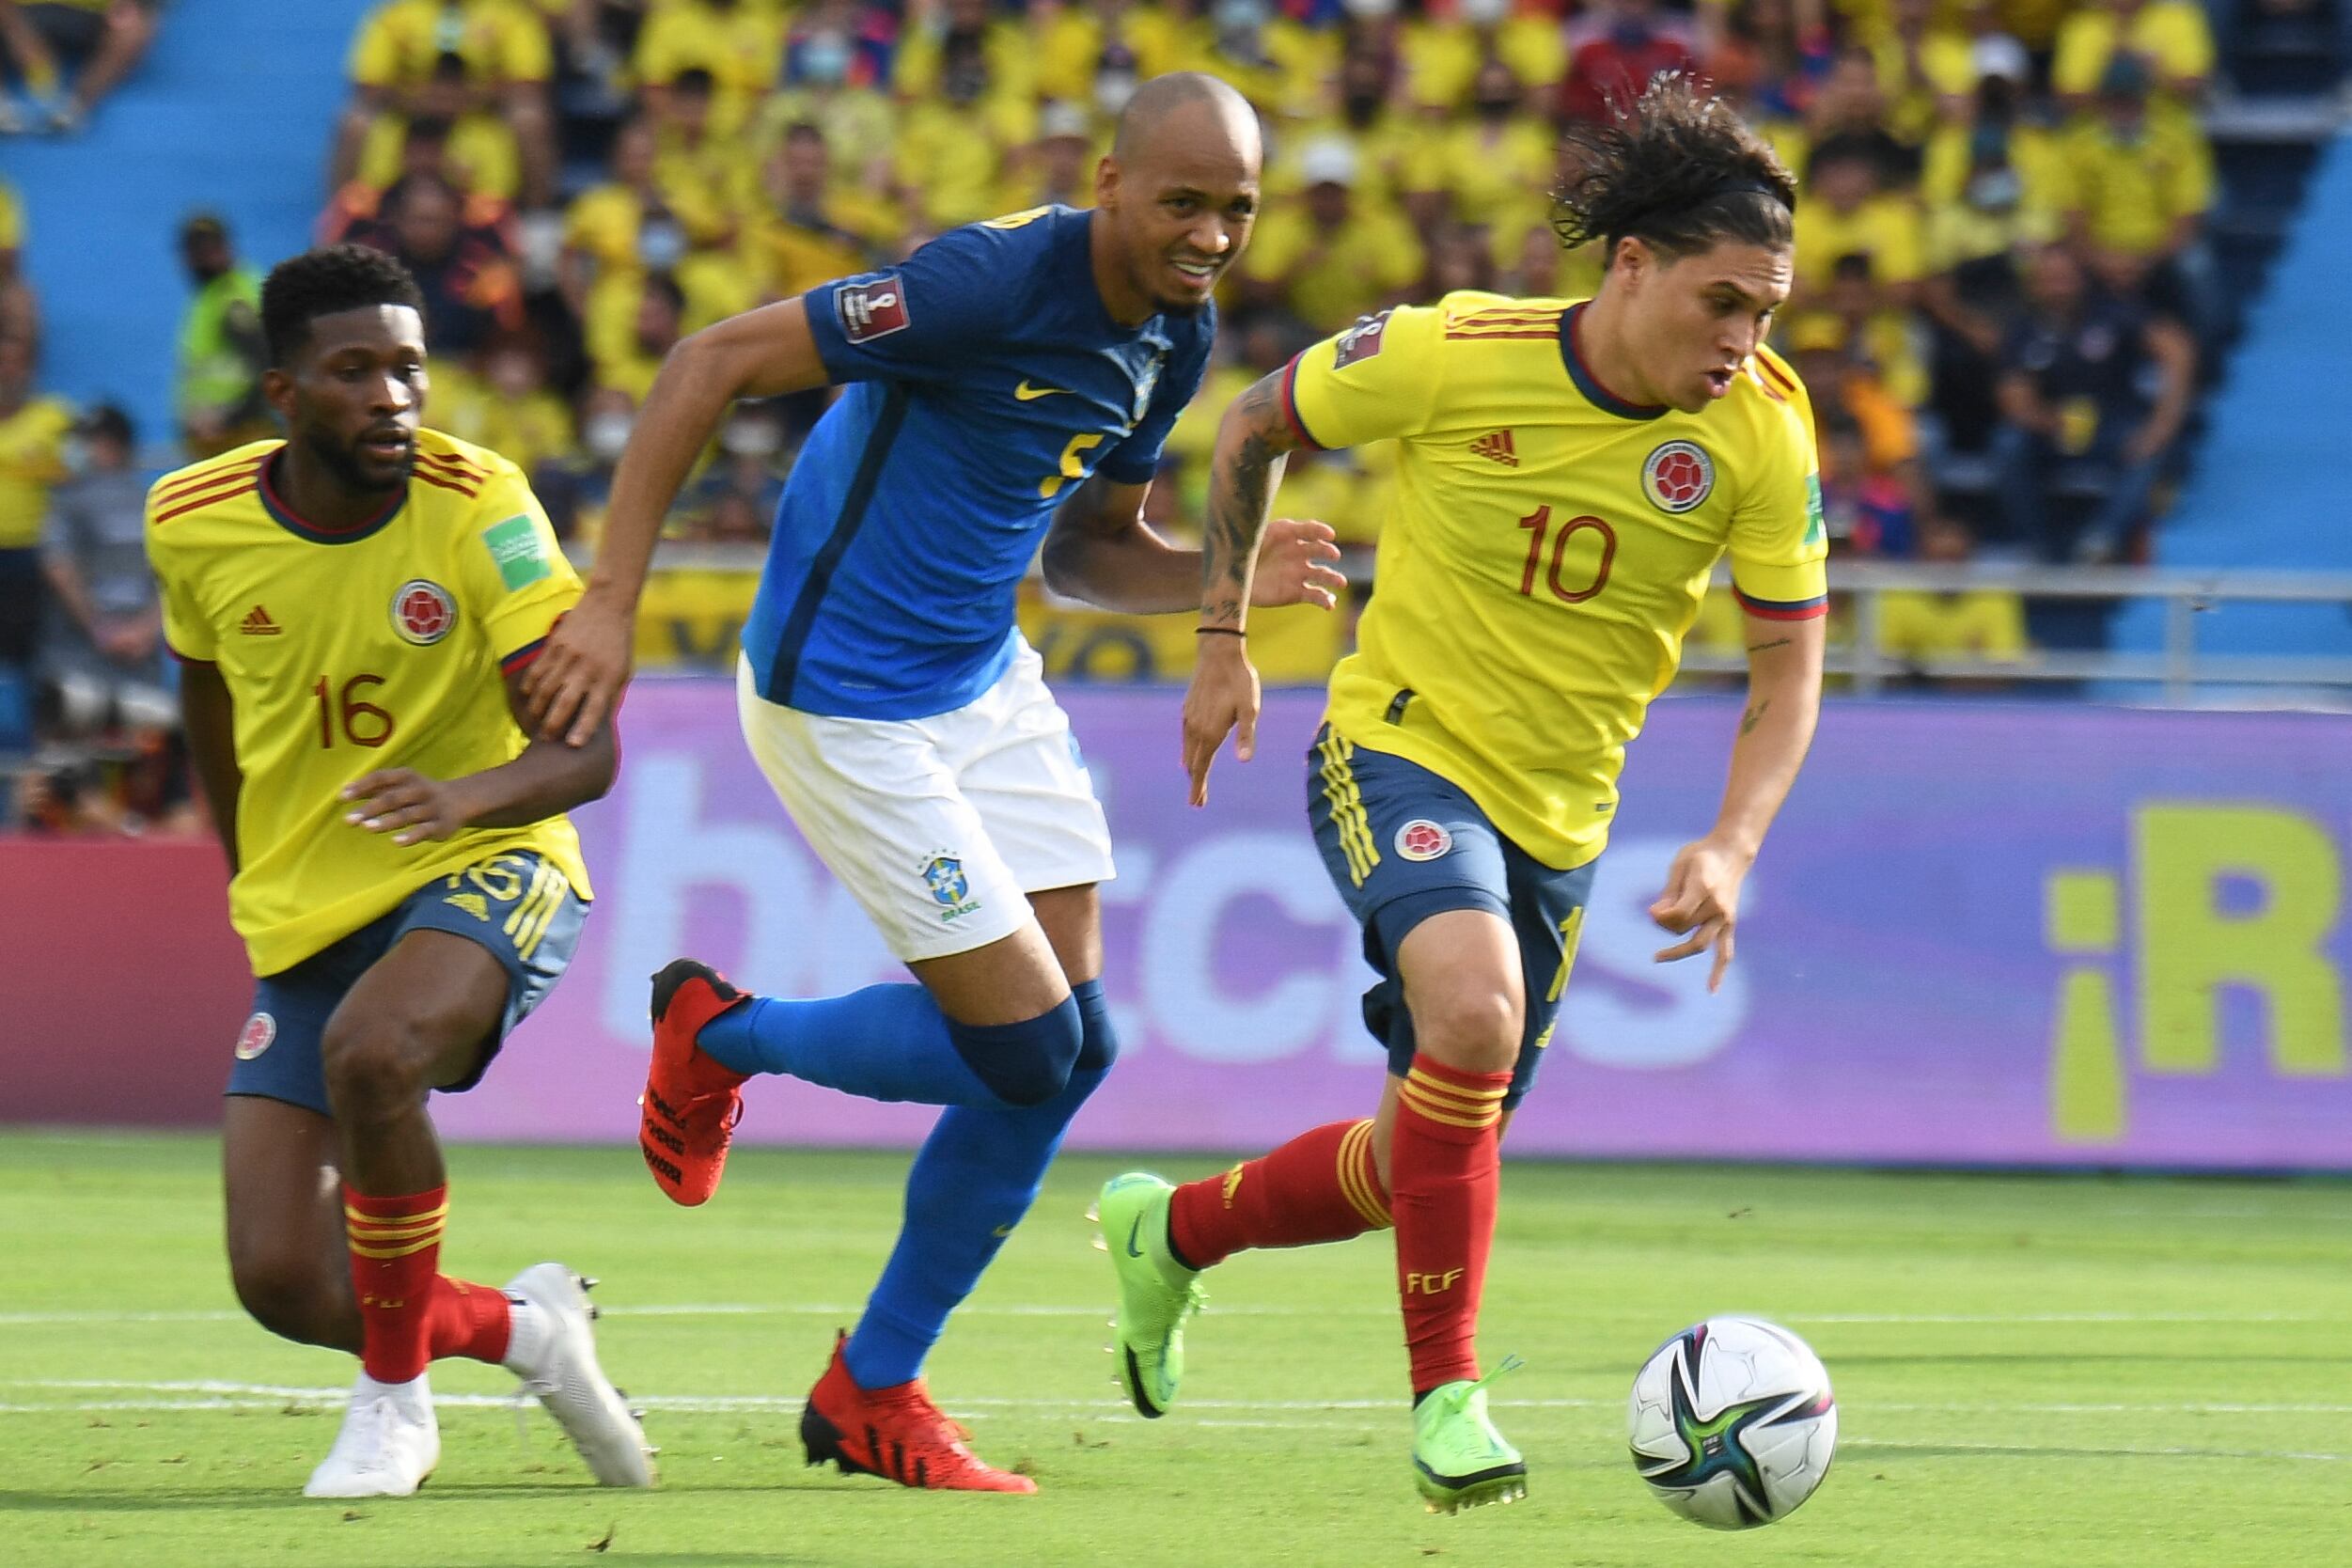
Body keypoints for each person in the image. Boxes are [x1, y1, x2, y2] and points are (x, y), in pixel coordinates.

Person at [520, 72, 1341, 1493]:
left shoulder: (1175, 331)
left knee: (1076, 1050)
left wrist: (1228, 586)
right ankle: (720, 1036)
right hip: (841, 695)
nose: (1211, 234)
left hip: (980, 676)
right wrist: (608, 599)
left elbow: (1084, 549)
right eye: (1183, 201)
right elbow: (707, 363)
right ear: (1108, 181)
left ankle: (871, 1386)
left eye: (1237, 210)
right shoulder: (976, 287)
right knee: (1024, 1051)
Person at [1103, 73, 1829, 1514]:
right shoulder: (1451, 352)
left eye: (1766, 315)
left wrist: (1733, 844)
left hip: (1561, 821)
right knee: (1476, 1015)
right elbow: (1255, 422)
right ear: (1629, 265)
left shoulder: (1760, 434)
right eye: (1722, 303)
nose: (1743, 343)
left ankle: (1169, 1234)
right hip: (1398, 745)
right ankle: (1446, 1400)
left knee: (1419, 1153)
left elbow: (1784, 673)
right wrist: (1222, 640)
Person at [144, 245, 652, 1499]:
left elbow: (583, 755)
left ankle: (394, 1406)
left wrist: (461, 799)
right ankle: (528, 1333)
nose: (391, 397)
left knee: (374, 1056)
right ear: (283, 393)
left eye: (410, 369)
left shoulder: (481, 504)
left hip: (491, 855)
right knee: (279, 1278)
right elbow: (206, 691)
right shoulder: (191, 522)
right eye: (354, 371)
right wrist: (247, 866)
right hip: (315, 900)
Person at [176, 213, 270, 459]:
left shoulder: (234, 297)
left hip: (241, 439)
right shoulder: (210, 296)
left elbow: (267, 366)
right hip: (218, 443)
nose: (203, 257)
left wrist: (227, 419)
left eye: (210, 248)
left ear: (227, 248)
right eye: (195, 250)